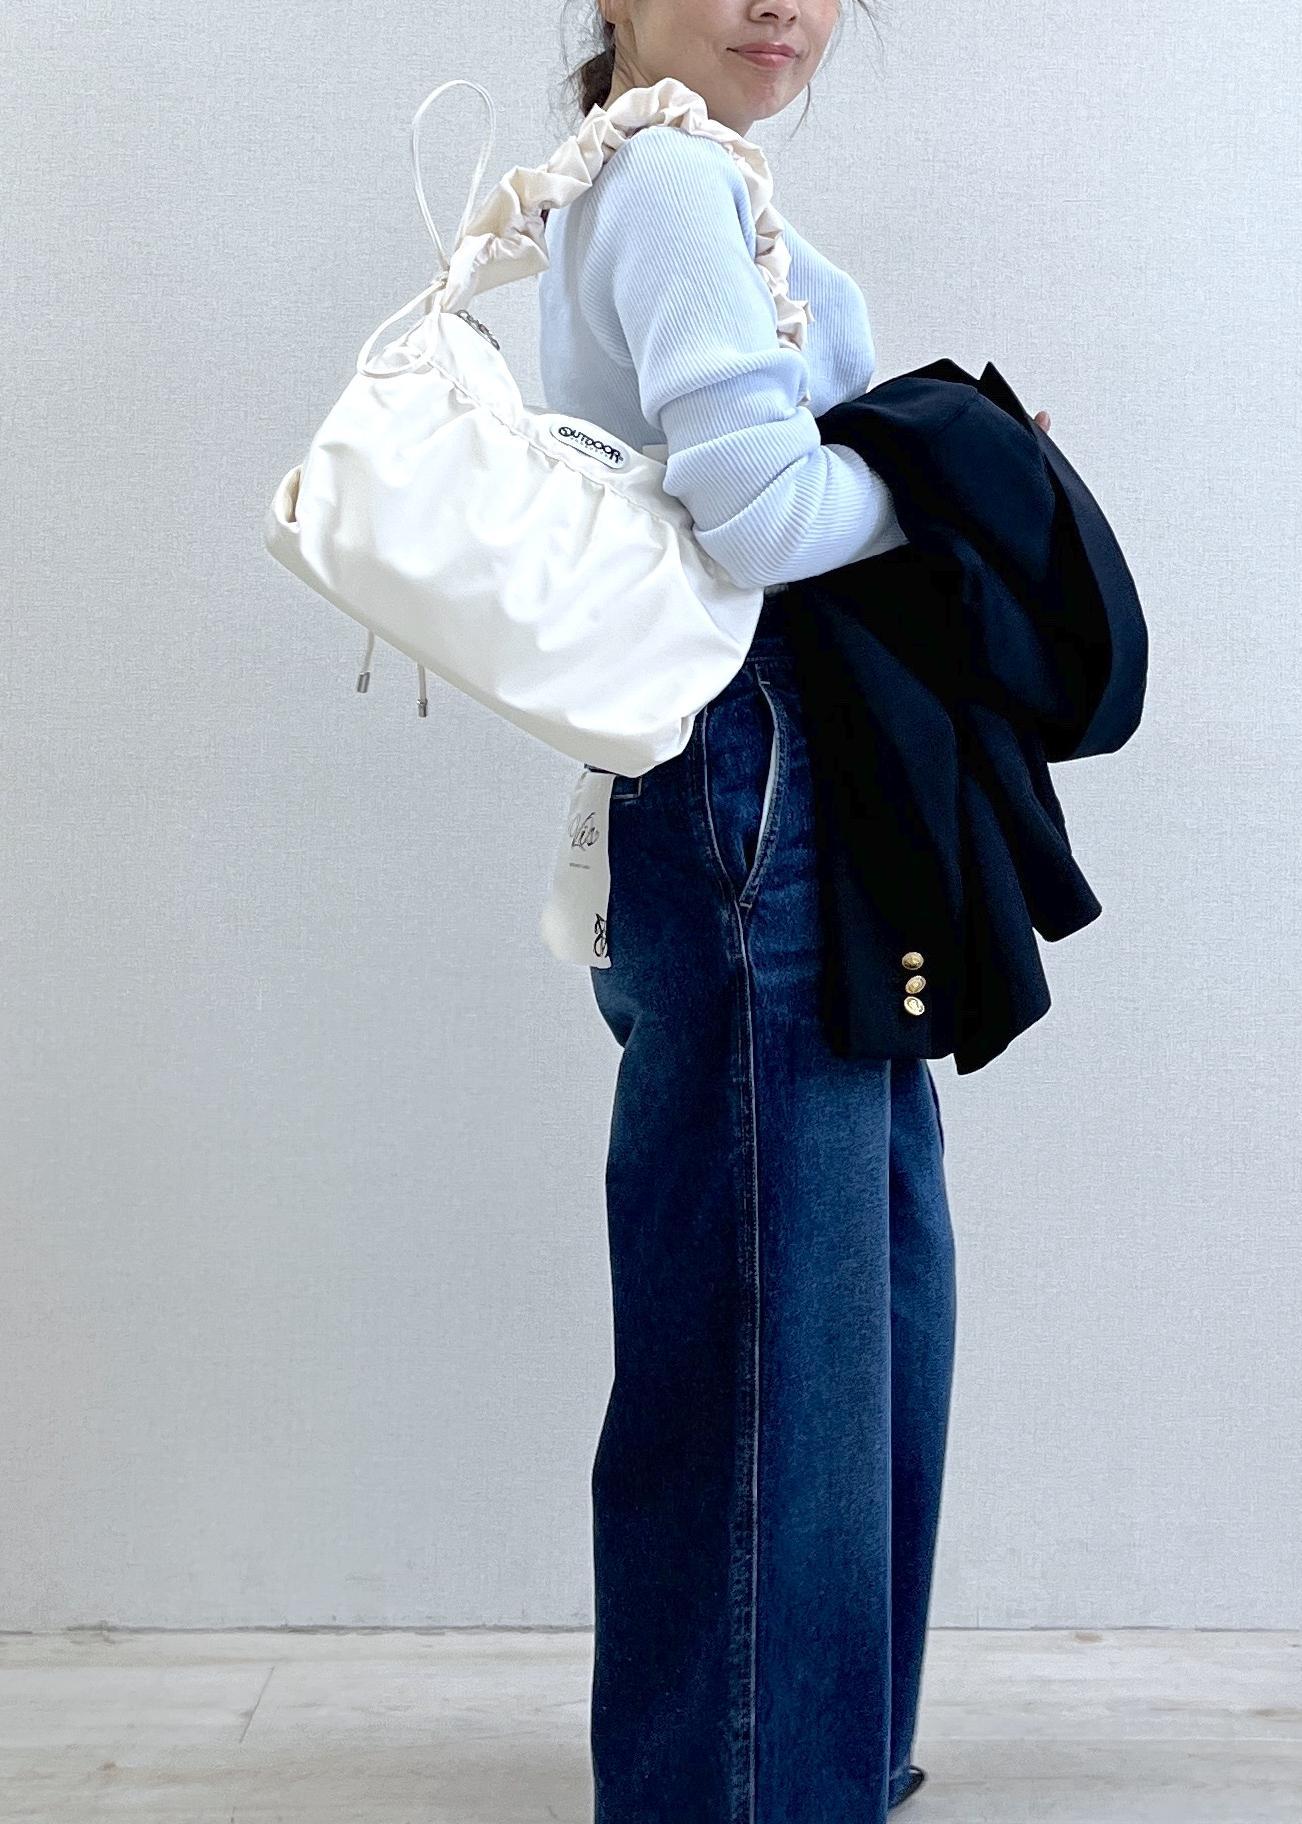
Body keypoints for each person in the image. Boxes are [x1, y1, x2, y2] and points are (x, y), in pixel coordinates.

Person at [541, 6, 1049, 1819]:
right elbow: (756, 514)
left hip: (753, 775)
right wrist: (957, 472)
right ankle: (750, 1789)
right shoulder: (668, 175)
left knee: (848, 1298)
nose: (784, 2)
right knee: (782, 1327)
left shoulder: (651, 173)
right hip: (748, 771)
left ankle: (810, 1755)